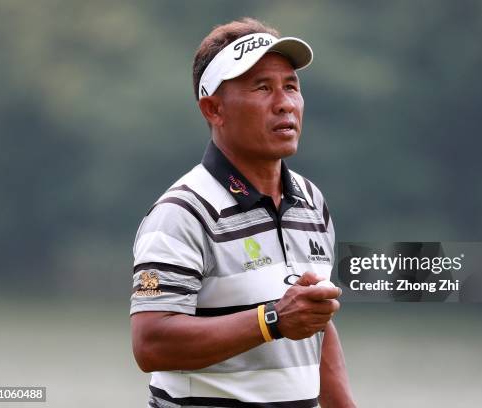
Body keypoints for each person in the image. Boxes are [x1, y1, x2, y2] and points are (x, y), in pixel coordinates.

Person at [130, 17, 356, 408]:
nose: (284, 102)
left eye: (291, 86)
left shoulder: (311, 201)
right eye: (263, 88)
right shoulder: (182, 212)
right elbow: (151, 344)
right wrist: (272, 321)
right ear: (214, 109)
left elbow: (315, 325)